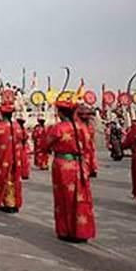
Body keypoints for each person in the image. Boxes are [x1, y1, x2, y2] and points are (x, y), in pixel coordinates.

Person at [39, 99, 96, 243]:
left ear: (60, 113)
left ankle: (66, 231)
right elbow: (89, 147)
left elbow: (44, 145)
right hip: (80, 165)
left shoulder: (58, 128)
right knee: (81, 198)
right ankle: (82, 231)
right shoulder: (83, 127)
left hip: (63, 166)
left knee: (64, 198)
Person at [0, 104, 24, 213]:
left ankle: (6, 203)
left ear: (1, 114)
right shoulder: (17, 126)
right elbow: (23, 137)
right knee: (14, 179)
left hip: (4, 157)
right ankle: (15, 202)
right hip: (16, 158)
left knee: (4, 179)